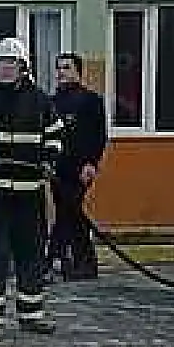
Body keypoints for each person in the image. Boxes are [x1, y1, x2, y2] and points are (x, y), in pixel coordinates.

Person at [0, 38, 65, 334]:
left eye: (11, 64)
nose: (6, 70)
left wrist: (50, 159)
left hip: (30, 189)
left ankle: (31, 313)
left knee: (31, 251)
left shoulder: (40, 100)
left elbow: (55, 135)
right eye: (0, 65)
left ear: (24, 67)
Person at [50, 53, 109, 281]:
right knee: (70, 214)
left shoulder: (90, 100)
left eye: (66, 67)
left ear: (78, 71)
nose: (61, 72)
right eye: (58, 68)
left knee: (70, 211)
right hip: (58, 168)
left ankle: (55, 258)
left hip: (81, 168)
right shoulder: (53, 102)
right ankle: (79, 263)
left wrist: (92, 163)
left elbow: (99, 136)